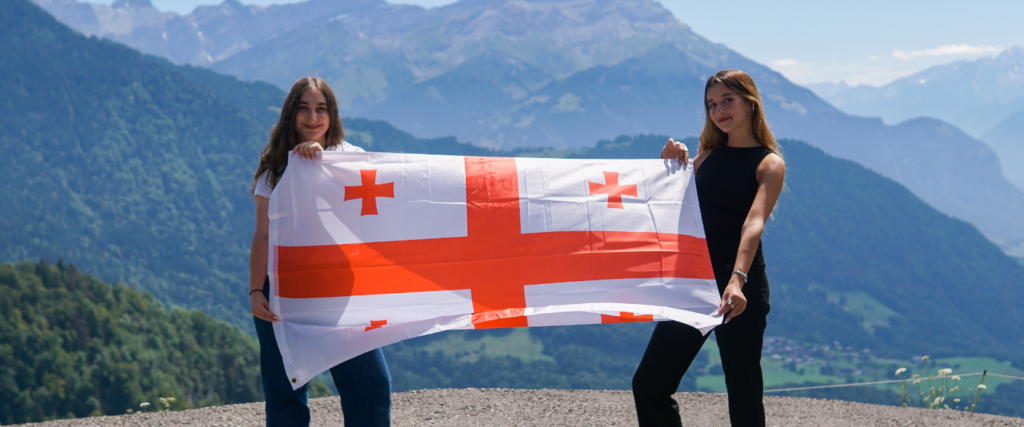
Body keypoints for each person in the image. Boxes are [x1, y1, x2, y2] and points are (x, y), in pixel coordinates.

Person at [631, 70, 786, 427]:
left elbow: (753, 224)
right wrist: (666, 167)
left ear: (751, 102)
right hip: (694, 283)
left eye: (727, 100)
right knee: (650, 384)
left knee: (744, 392)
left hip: (739, 287)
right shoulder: (705, 157)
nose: (719, 110)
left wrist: (737, 280)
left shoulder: (768, 162)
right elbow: (662, 208)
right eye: (711, 105)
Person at [248, 77, 392, 427]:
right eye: (304, 109)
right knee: (287, 401)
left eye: (321, 109)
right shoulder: (276, 170)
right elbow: (263, 235)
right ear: (290, 116)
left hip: (341, 291)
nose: (313, 117)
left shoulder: (352, 160)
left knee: (370, 388)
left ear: (332, 115)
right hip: (284, 291)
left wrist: (321, 164)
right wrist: (255, 291)